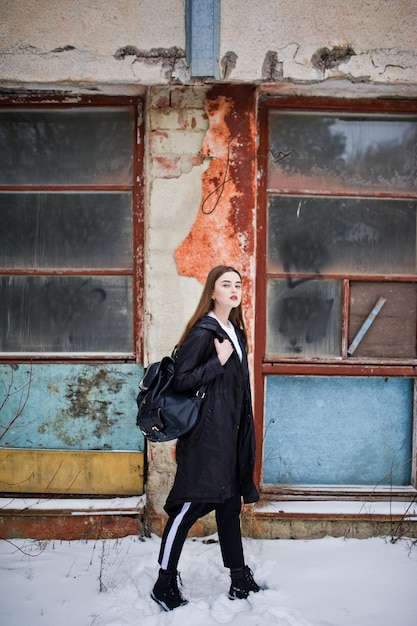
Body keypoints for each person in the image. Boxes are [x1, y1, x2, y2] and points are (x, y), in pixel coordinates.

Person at [151, 265, 264, 611]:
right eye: (225, 284)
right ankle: (164, 582)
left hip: (230, 437)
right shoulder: (205, 332)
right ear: (212, 293)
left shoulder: (236, 332)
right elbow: (182, 381)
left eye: (238, 284)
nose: (233, 289)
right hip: (206, 441)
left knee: (229, 506)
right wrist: (216, 362)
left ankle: (239, 577)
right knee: (188, 507)